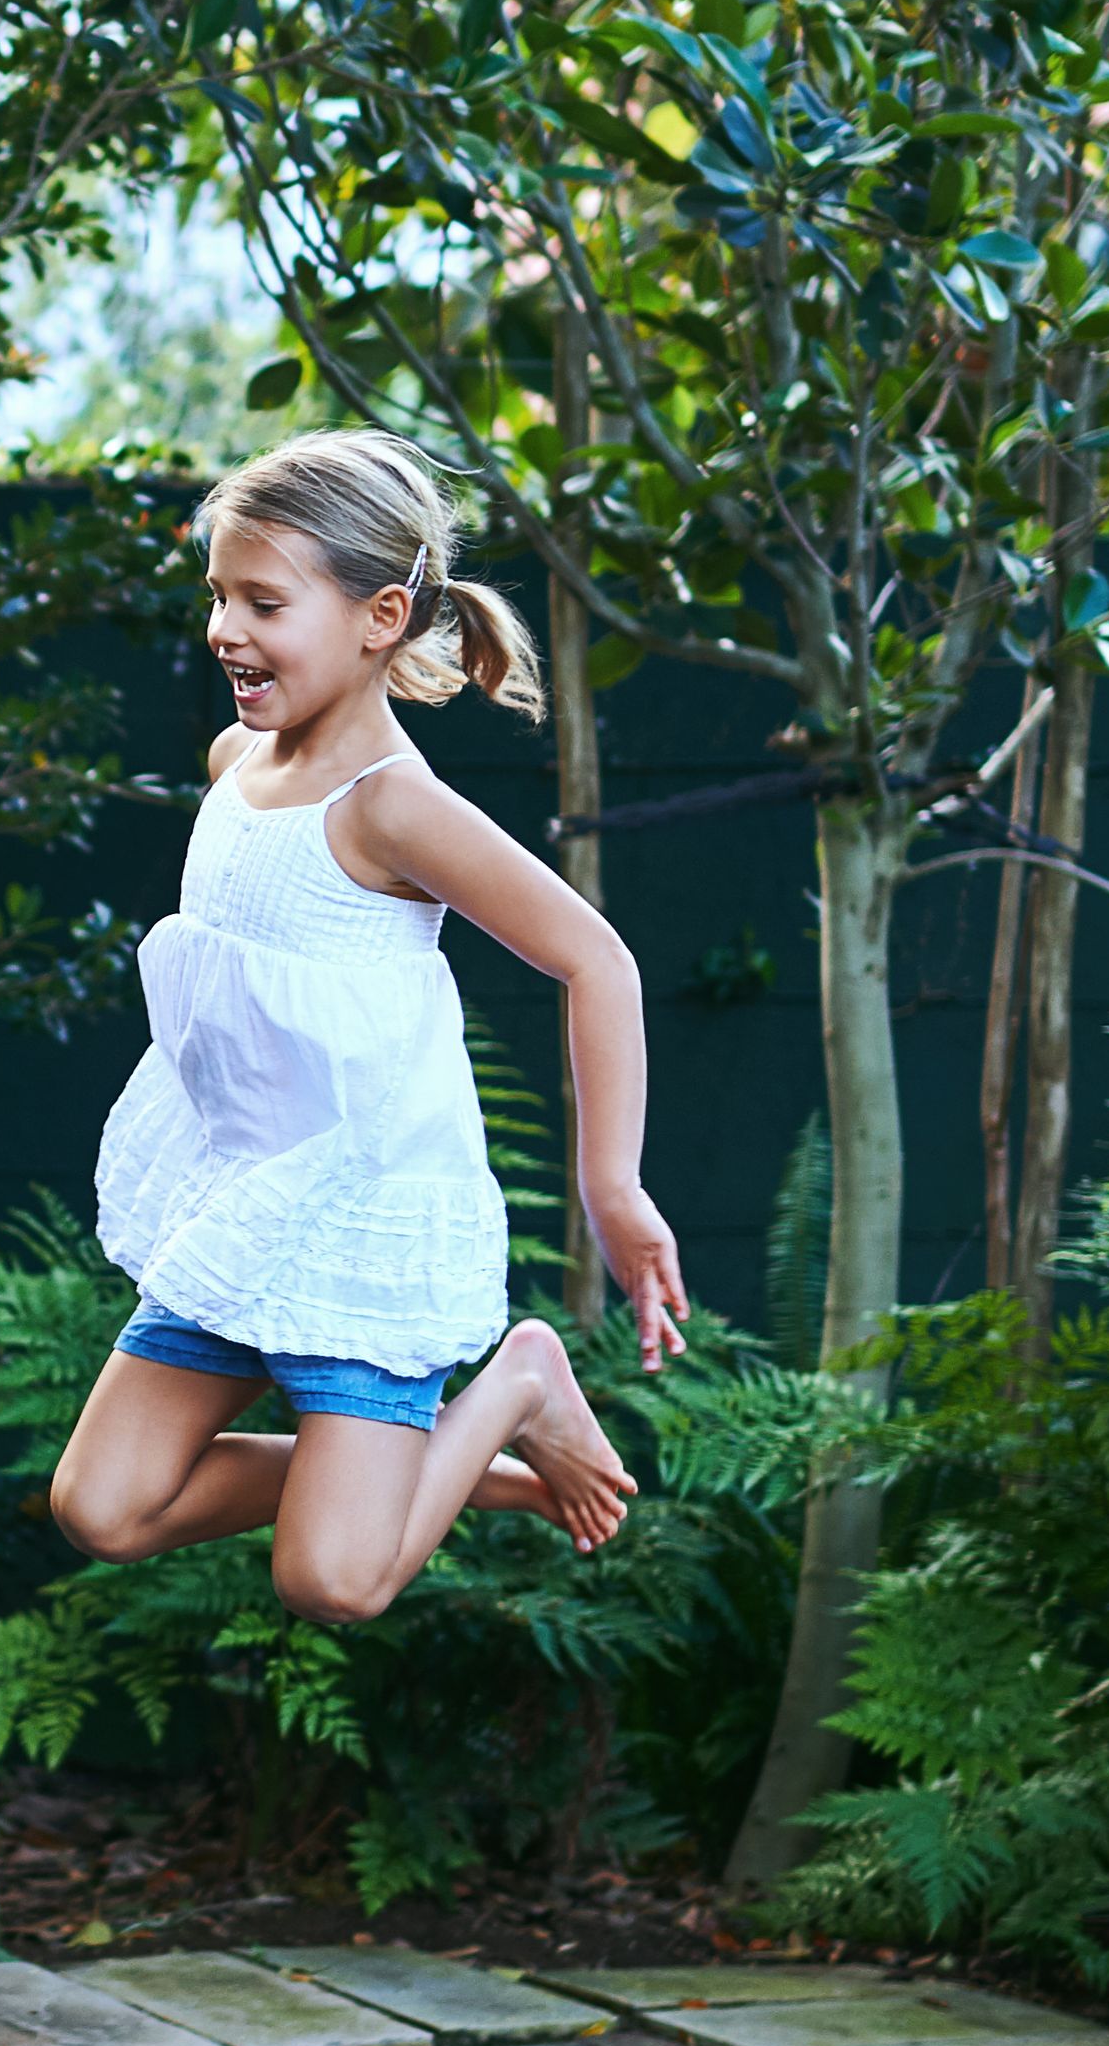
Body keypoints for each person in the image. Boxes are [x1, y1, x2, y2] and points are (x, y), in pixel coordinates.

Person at [52, 429, 687, 1622]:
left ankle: (522, 1385)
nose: (225, 632)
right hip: (246, 1209)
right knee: (102, 1508)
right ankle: (465, 1479)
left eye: (264, 603)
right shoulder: (236, 758)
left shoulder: (395, 807)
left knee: (334, 1580)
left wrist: (615, 1187)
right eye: (218, 598)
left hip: (359, 1221)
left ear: (379, 616)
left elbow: (597, 961)